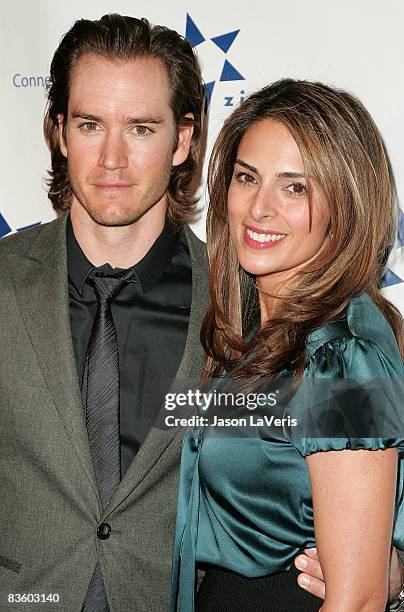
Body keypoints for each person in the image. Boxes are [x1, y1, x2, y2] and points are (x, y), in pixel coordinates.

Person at [0, 14, 208, 612]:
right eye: (91, 125)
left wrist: (388, 561)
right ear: (60, 133)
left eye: (141, 128)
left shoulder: (242, 301)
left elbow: (347, 438)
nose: (112, 159)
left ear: (183, 141)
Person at [170, 79, 404, 611]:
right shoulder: (252, 327)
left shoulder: (343, 359)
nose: (259, 209)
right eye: (247, 177)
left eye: (294, 187)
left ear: (344, 203)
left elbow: (358, 602)